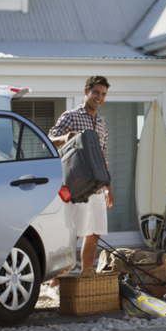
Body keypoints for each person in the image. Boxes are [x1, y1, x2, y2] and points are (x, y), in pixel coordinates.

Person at [48, 75, 115, 278]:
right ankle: (56, 279)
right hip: (78, 187)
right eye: (96, 92)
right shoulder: (71, 116)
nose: (99, 97)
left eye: (103, 94)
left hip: (97, 187)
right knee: (74, 234)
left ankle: (87, 275)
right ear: (86, 92)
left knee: (94, 233)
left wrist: (108, 188)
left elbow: (103, 156)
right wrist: (65, 138)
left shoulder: (102, 125)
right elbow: (49, 139)